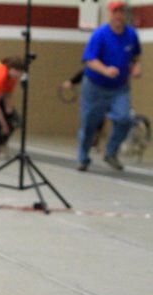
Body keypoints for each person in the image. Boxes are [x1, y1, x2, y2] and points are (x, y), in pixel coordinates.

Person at [77, 1, 141, 171]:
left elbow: (135, 57)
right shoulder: (100, 34)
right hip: (95, 86)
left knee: (124, 119)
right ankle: (83, 157)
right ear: (110, 14)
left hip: (119, 88)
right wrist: (105, 70)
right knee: (90, 124)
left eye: (122, 12)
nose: (119, 15)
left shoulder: (131, 35)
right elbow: (89, 60)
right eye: (116, 12)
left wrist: (135, 68)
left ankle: (111, 152)